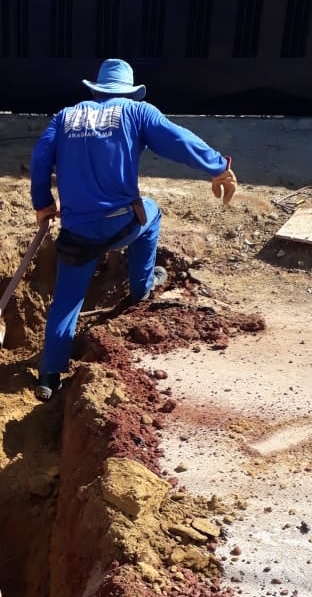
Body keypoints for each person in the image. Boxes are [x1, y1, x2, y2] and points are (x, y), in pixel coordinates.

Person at [30, 58, 237, 401]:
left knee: (67, 301)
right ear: (129, 92)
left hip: (77, 234)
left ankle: (49, 375)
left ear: (96, 89)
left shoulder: (64, 116)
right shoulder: (137, 112)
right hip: (121, 226)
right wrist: (218, 167)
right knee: (152, 215)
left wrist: (43, 204)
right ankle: (141, 287)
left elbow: (40, 159)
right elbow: (178, 140)